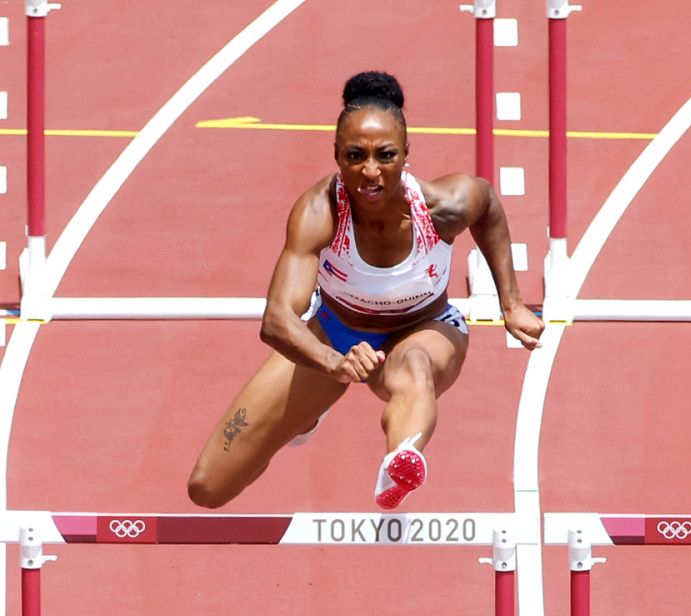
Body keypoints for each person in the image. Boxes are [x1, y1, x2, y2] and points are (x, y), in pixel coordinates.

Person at [187, 71, 543, 510]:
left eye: (385, 155)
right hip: (335, 335)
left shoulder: (443, 207)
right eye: (355, 156)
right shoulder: (320, 212)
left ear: (406, 155)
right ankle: (304, 417)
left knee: (413, 368)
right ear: (336, 156)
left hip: (424, 329)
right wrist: (333, 362)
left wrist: (511, 303)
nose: (370, 171)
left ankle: (400, 462)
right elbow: (277, 320)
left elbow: (488, 205)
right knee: (207, 488)